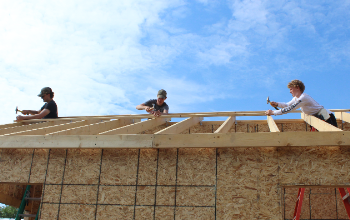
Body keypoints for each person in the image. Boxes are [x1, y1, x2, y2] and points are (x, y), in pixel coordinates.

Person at [265, 80, 337, 127]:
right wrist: (277, 104)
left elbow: (290, 108)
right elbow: (287, 105)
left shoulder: (303, 97)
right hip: (318, 118)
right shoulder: (296, 98)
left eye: (291, 89)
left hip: (326, 117)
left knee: (333, 138)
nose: (290, 91)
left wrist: (273, 112)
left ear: (297, 88)